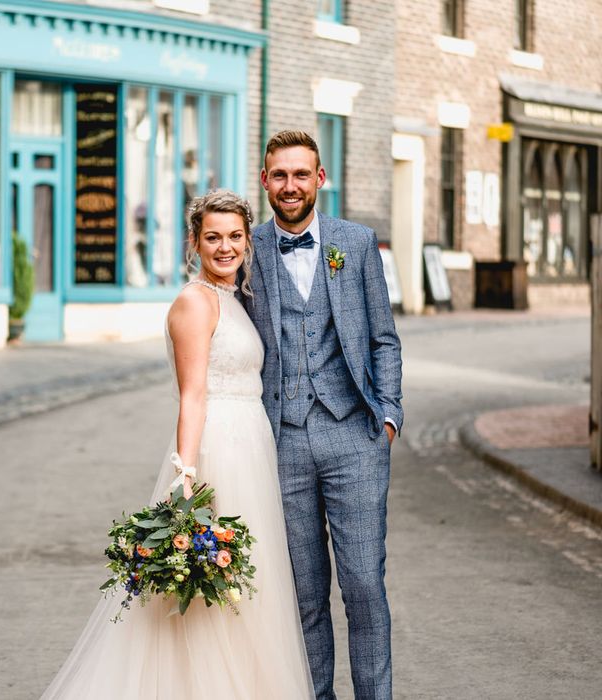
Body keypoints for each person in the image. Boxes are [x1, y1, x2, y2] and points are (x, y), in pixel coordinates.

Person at [40, 189, 314, 699]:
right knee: (212, 593)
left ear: (248, 242)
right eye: (213, 237)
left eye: (235, 236)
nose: (226, 247)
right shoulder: (194, 301)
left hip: (252, 446)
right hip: (220, 452)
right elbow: (192, 397)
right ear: (194, 242)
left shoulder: (231, 298)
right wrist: (185, 480)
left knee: (244, 593)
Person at [243, 130, 403, 700]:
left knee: (363, 586)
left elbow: (384, 338)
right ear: (265, 181)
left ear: (320, 179)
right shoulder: (247, 247)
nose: (290, 186)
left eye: (300, 174)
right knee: (302, 595)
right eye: (278, 176)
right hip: (279, 441)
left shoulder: (355, 243)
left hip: (354, 436)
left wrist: (387, 416)